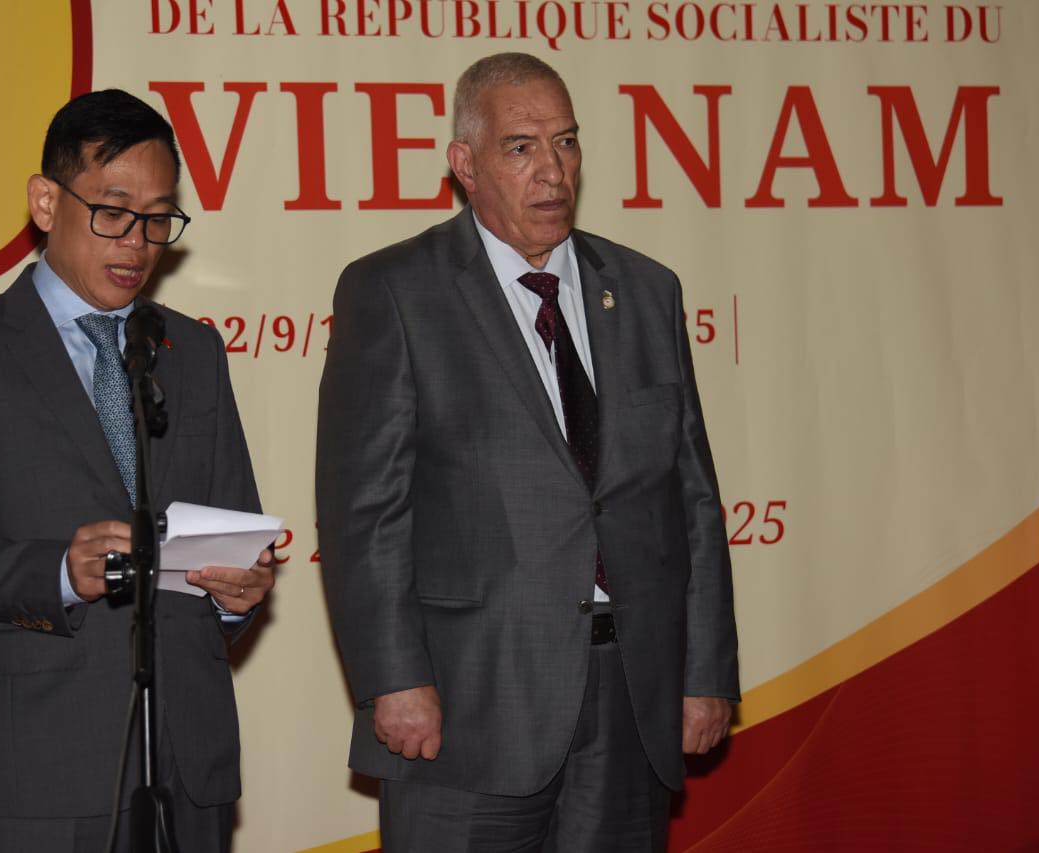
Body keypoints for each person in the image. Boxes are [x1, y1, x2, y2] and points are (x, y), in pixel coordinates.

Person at [316, 53, 739, 851]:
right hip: (468, 702)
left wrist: (705, 671)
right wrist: (393, 679)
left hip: (631, 698)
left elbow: (692, 497)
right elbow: (363, 512)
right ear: (465, 164)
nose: (552, 170)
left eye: (566, 142)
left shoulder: (646, 290)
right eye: (520, 147)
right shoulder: (394, 291)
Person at [0, 89, 274, 852]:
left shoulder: (192, 351)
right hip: (41, 758)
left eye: (157, 218)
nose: (137, 243)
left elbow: (235, 531)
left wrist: (241, 593)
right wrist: (58, 570)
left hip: (190, 760)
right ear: (45, 201)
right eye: (113, 212)